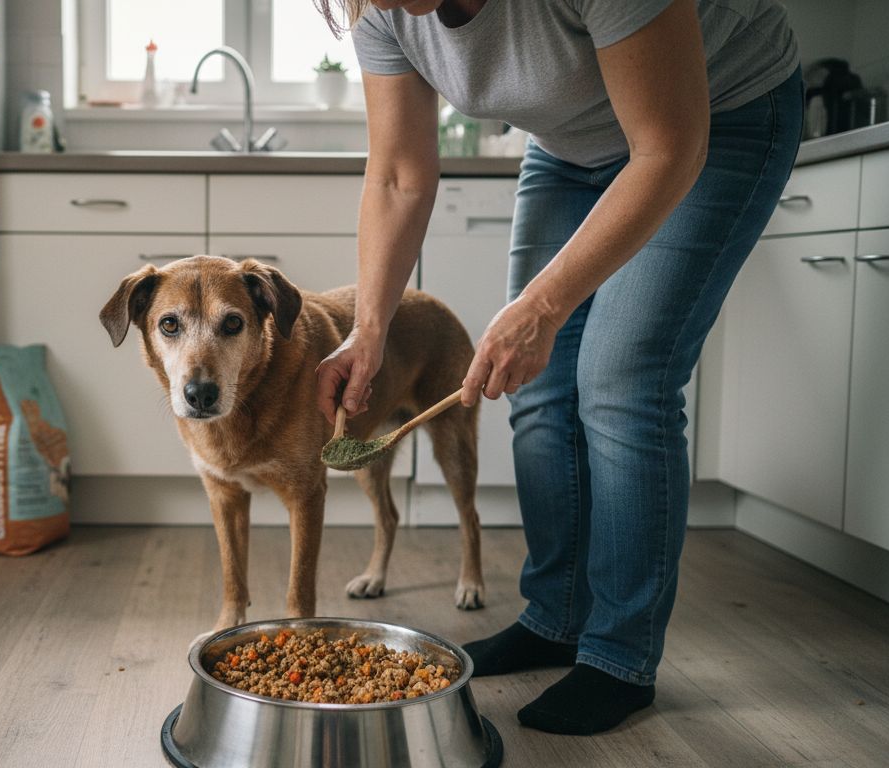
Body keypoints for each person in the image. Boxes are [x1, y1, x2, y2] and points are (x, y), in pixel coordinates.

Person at [314, 0, 802, 735]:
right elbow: (398, 177)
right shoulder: (379, 9)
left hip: (713, 118)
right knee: (538, 389)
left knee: (621, 382)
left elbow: (666, 147)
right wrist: (368, 330)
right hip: (570, 149)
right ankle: (557, 617)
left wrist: (542, 309)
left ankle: (620, 657)